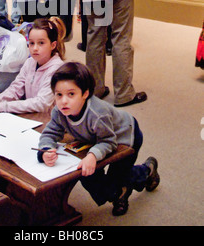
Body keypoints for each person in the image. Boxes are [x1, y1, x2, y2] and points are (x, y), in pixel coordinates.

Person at [37, 62, 160, 216]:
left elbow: (109, 141)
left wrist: (93, 155)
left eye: (71, 94)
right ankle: (120, 193)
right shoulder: (59, 111)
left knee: (118, 177)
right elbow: (49, 133)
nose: (63, 101)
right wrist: (46, 150)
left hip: (125, 136)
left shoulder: (97, 113)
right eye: (58, 94)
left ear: (85, 94)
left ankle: (147, 171)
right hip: (97, 138)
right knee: (88, 174)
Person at [0, 16, 66, 114]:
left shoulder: (57, 70)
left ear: (53, 45)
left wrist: (4, 106)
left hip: (48, 120)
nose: (35, 48)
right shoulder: (30, 62)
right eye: (31, 43)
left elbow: (41, 104)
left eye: (41, 43)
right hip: (32, 116)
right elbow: (16, 89)